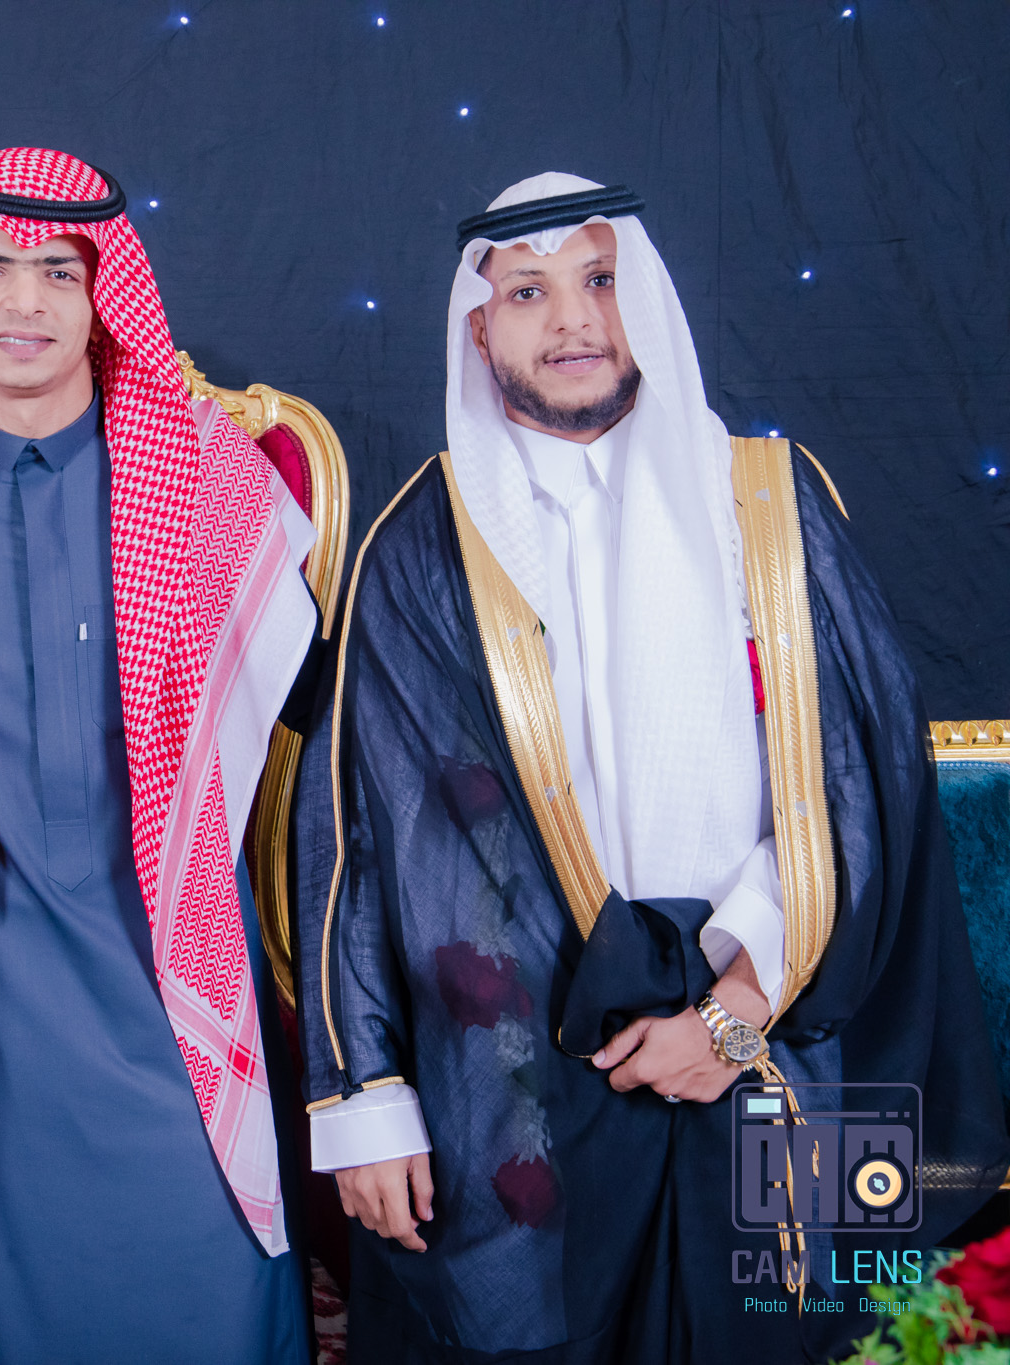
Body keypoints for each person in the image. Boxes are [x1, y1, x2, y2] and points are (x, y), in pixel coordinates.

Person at [294, 172, 1009, 1362]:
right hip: (520, 1063)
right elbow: (361, 843)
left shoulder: (770, 505)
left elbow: (859, 787)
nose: (572, 319)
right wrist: (361, 1094)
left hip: (777, 1029)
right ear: (479, 330)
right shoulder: (419, 540)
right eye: (527, 292)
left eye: (600, 280)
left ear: (650, 303)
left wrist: (731, 1014)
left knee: (794, 1331)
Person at [0, 148, 318, 1361]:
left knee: (204, 1263)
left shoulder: (208, 476)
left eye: (56, 272)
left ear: (101, 301)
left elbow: (287, 715)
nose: (21, 301)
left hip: (168, 949)